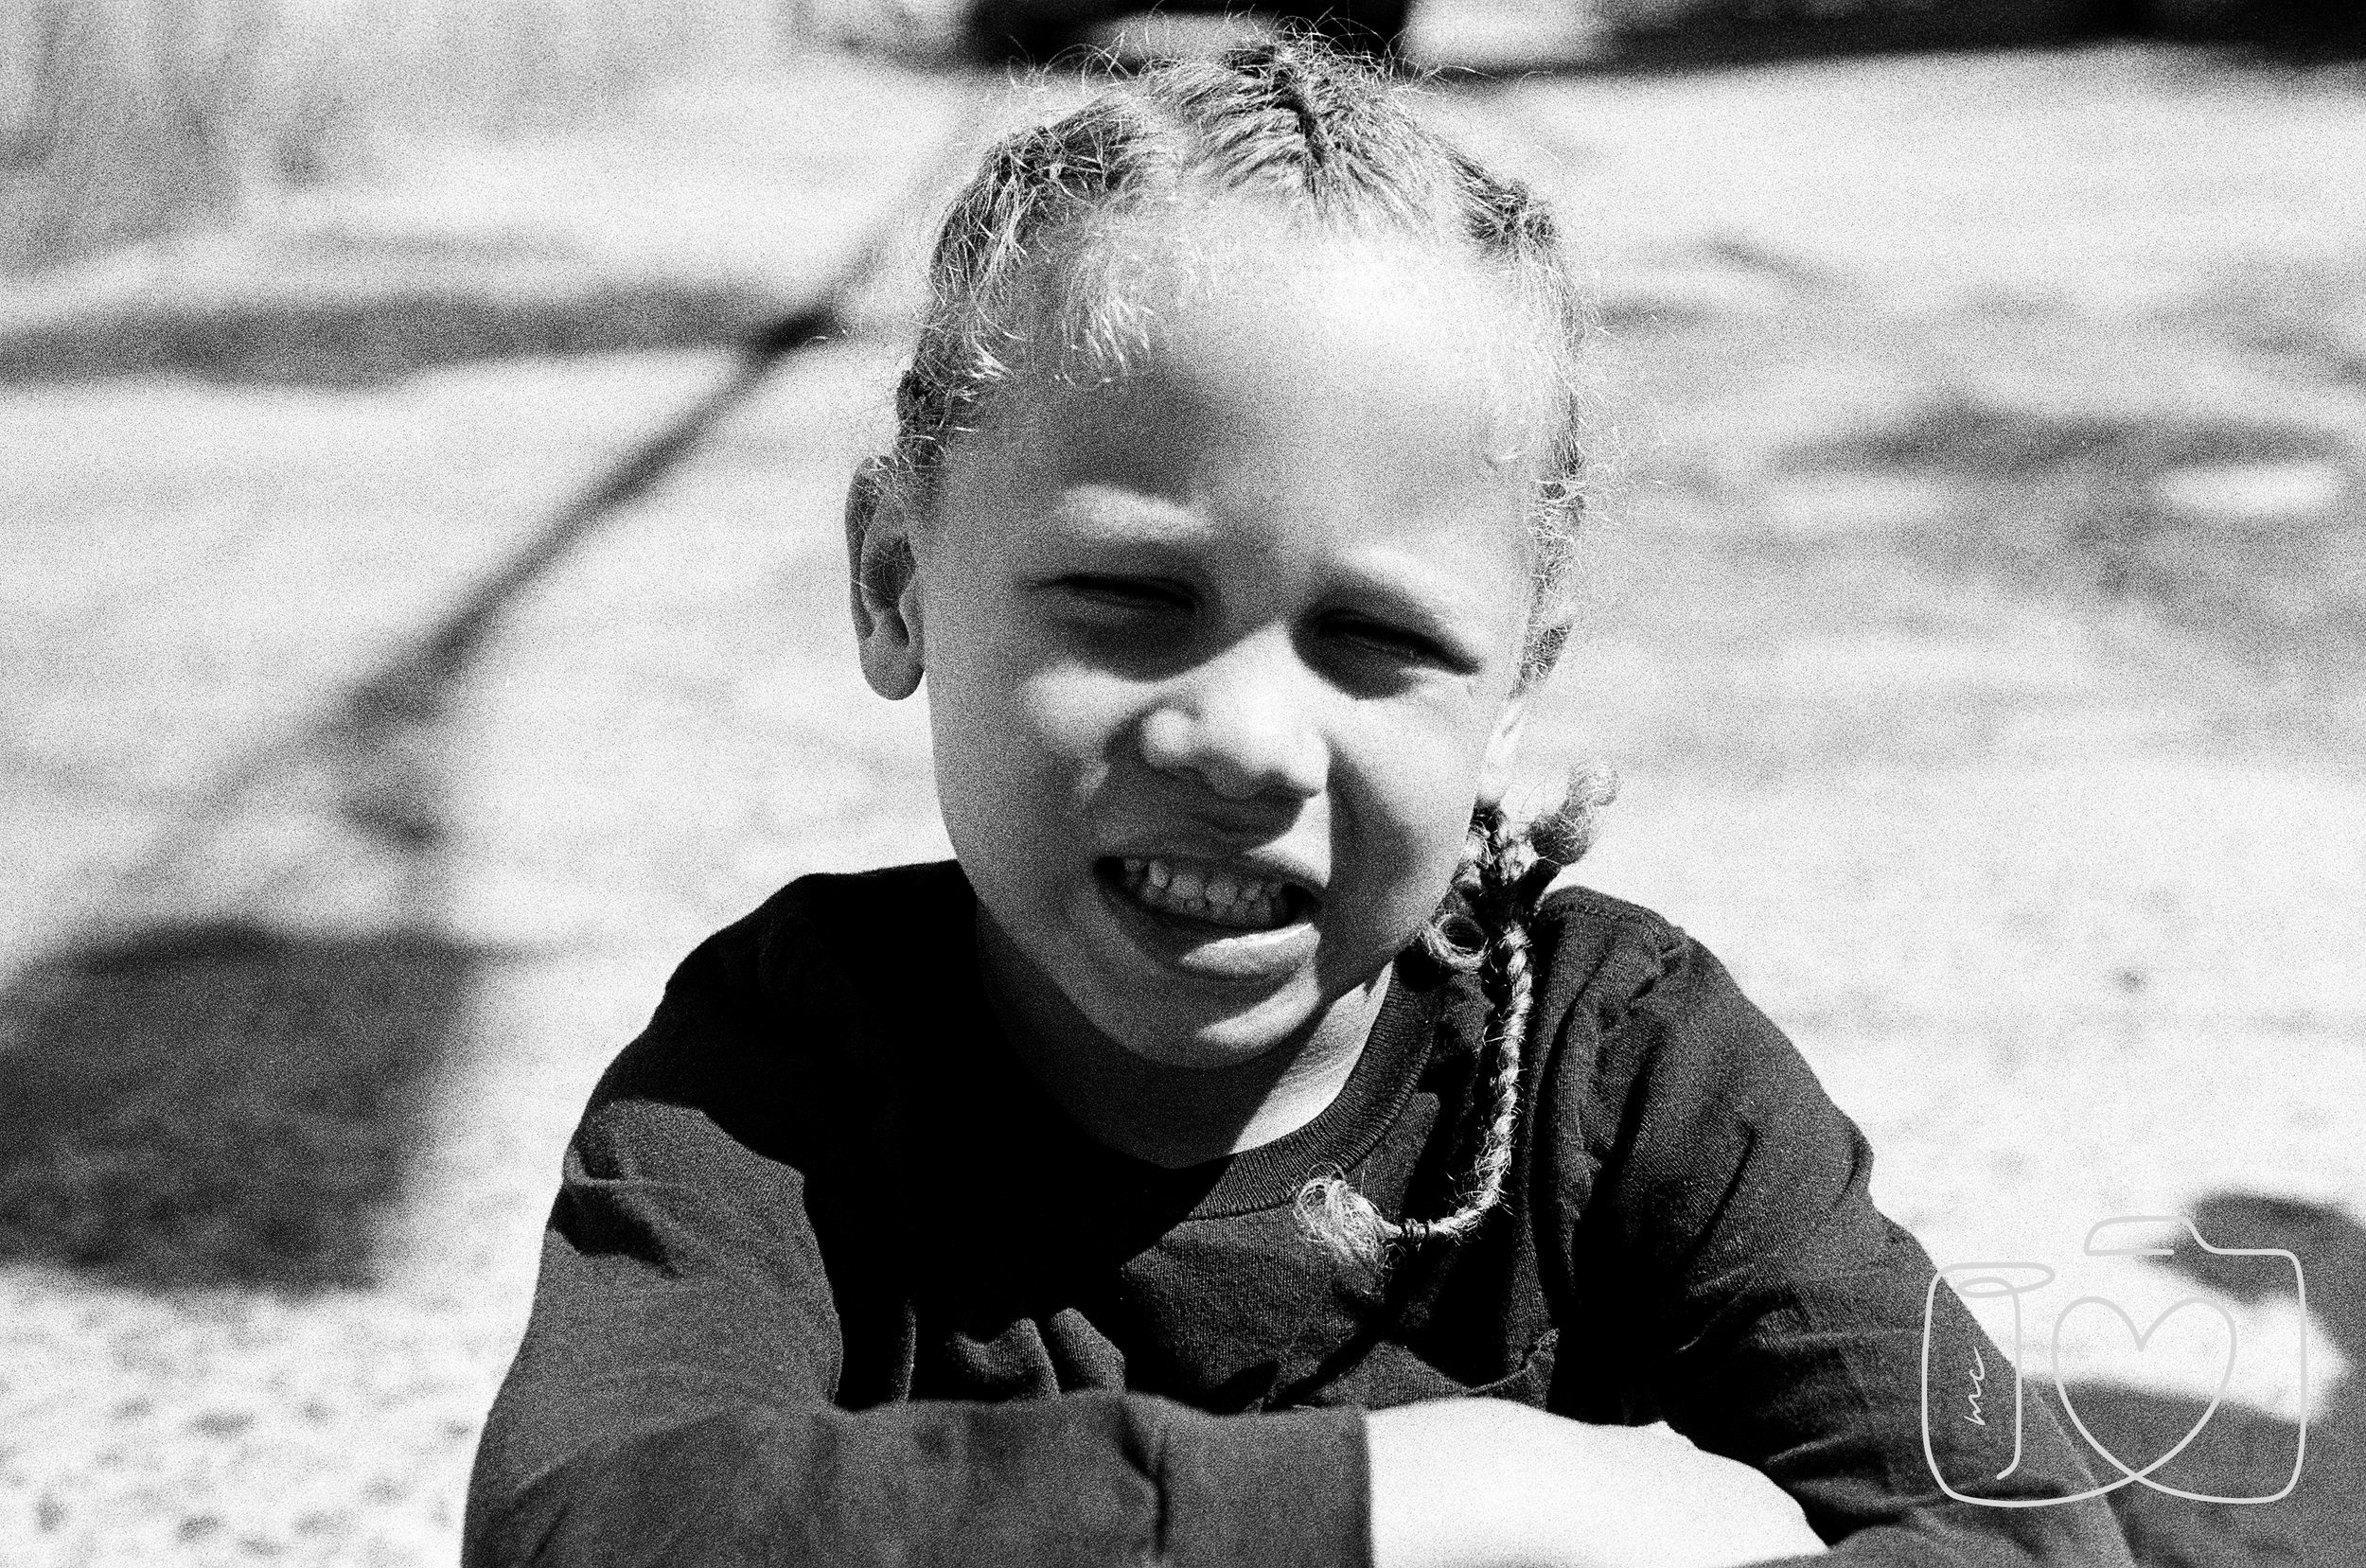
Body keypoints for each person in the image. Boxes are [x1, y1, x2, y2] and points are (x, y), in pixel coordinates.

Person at [464, 41, 2138, 1568]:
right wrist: (1428, 1503)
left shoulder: (1623, 1074)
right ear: (898, 580)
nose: (1252, 740)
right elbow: (581, 1532)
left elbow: (2025, 1538)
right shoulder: (791, 1073)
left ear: (1511, 686)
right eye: (1130, 595)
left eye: (1381, 636)